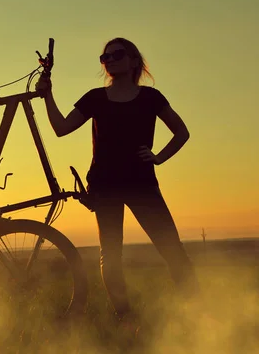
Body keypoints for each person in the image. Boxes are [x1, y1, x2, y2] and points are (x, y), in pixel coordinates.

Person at [35, 37, 199, 328]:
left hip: (141, 183)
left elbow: (182, 132)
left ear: (134, 60)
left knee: (172, 249)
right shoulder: (95, 98)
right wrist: (47, 95)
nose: (109, 59)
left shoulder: (151, 98)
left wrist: (159, 157)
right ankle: (125, 317)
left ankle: (196, 313)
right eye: (104, 57)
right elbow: (61, 128)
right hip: (104, 185)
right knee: (110, 256)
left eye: (116, 54)